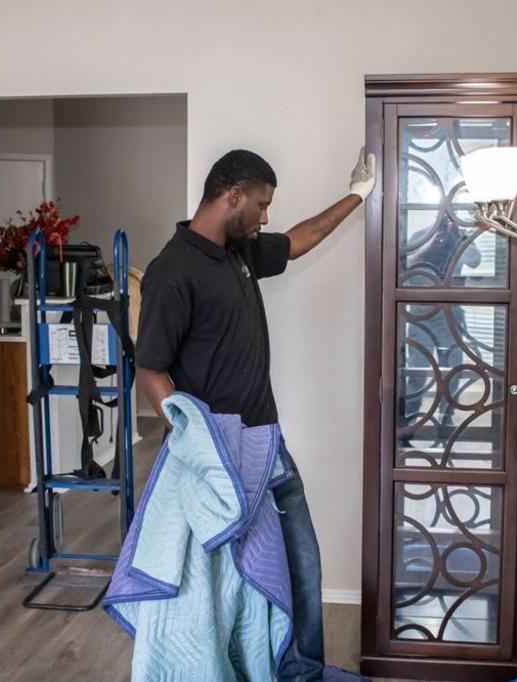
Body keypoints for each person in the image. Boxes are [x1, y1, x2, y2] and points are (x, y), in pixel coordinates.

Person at [134, 147, 376, 680]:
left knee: (301, 563)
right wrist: (192, 438)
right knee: (232, 582)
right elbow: (149, 371)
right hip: (220, 454)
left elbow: (301, 238)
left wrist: (357, 195)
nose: (266, 217)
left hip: (267, 444)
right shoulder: (172, 272)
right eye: (262, 204)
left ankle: (302, 672)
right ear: (233, 195)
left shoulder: (238, 252)